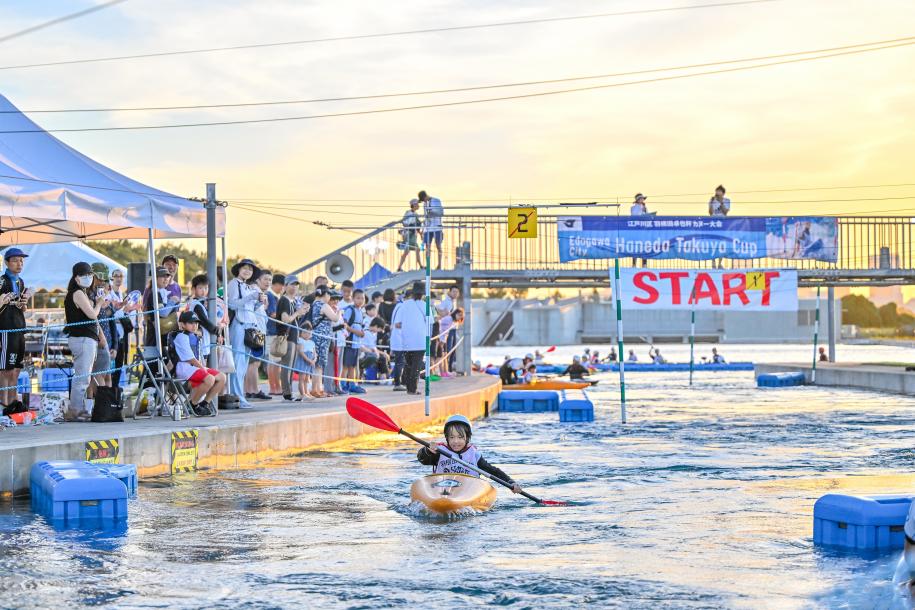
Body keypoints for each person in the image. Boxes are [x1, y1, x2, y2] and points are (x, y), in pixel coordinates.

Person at [417, 415, 522, 494]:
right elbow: (422, 459)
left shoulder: (474, 455)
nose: (456, 441)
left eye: (460, 437)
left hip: (468, 490)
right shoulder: (439, 451)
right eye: (451, 437)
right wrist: (427, 451)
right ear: (446, 438)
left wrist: (510, 483)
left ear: (467, 438)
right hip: (442, 488)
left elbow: (492, 471)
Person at [64, 262, 108, 422]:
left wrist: (98, 303)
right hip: (82, 338)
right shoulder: (77, 293)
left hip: (86, 338)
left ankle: (78, 408)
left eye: (90, 274)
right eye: (84, 275)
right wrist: (99, 304)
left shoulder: (82, 292)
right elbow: (92, 314)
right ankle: (74, 410)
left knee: (85, 376)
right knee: (82, 377)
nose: (88, 278)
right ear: (76, 277)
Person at [169, 311, 225, 416]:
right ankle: (193, 405)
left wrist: (202, 368)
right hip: (184, 368)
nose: (195, 325)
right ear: (182, 324)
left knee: (222, 377)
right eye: (191, 323)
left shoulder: (195, 336)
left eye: (196, 323)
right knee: (210, 378)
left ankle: (204, 404)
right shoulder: (181, 337)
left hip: (195, 367)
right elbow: (190, 359)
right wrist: (203, 369)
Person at [227, 258, 264, 409]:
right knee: (237, 363)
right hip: (239, 325)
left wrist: (259, 301)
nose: (247, 271)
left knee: (244, 363)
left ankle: (239, 395)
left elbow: (250, 309)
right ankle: (238, 397)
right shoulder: (234, 283)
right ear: (239, 269)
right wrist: (251, 297)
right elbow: (232, 304)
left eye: (250, 269)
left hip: (250, 327)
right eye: (245, 268)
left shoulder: (248, 287)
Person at [0, 247, 30, 414]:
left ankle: (13, 405)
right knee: (5, 369)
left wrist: (23, 304)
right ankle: (3, 405)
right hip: (6, 329)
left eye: (21, 260)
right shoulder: (2, 281)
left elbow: (21, 308)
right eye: (15, 260)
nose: (19, 264)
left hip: (20, 327)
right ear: (7, 262)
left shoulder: (21, 282)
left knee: (17, 369)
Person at [277, 276, 309, 401]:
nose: (295, 287)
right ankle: (287, 393)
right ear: (285, 286)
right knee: (287, 365)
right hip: (287, 336)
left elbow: (294, 319)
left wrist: (302, 312)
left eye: (297, 284)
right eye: (292, 284)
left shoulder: (293, 301)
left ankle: (289, 391)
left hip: (293, 336)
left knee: (291, 365)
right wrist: (298, 312)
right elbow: (285, 319)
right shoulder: (284, 300)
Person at [309, 285, 343, 398]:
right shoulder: (323, 305)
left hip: (315, 336)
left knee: (317, 363)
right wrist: (339, 312)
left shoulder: (314, 304)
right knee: (319, 364)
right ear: (325, 295)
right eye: (329, 295)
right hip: (322, 337)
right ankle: (316, 389)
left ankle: (317, 389)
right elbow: (335, 319)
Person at [89, 263, 117, 393]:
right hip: (98, 339)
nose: (103, 283)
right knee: (96, 375)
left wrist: (114, 346)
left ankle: (105, 404)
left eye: (106, 281)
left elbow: (111, 322)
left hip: (106, 341)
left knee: (106, 375)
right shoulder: (91, 295)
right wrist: (100, 303)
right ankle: (100, 404)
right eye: (101, 279)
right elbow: (94, 318)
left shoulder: (104, 300)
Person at [245, 269, 272, 401]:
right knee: (254, 363)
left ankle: (250, 389)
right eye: (265, 279)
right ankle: (253, 390)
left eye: (270, 280)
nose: (268, 282)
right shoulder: (255, 291)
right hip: (256, 331)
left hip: (259, 330)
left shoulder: (259, 292)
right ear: (258, 280)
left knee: (254, 362)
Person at [398, 283, 428, 395]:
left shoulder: (404, 304)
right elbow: (430, 322)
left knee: (409, 364)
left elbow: (398, 323)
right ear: (423, 294)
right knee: (416, 365)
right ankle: (412, 389)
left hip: (407, 339)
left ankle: (408, 387)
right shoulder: (425, 305)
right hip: (420, 339)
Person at [341, 288, 367, 394]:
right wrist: (356, 332)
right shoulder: (349, 310)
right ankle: (342, 385)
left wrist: (361, 332)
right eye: (358, 298)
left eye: (362, 298)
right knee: (346, 365)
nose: (360, 300)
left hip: (356, 343)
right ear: (353, 298)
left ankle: (352, 385)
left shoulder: (360, 311)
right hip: (349, 341)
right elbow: (344, 325)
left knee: (353, 365)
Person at [265, 273, 285, 396]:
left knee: (275, 362)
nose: (283, 288)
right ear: (277, 285)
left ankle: (276, 386)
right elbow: (272, 314)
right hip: (272, 332)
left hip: (274, 332)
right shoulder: (271, 296)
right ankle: (274, 387)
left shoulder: (274, 296)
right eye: (282, 286)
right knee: (273, 362)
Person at [419, 190, 444, 270]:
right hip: (428, 228)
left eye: (423, 199)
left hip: (437, 226)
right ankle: (428, 265)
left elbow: (441, 212)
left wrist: (432, 213)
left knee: (438, 245)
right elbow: (425, 216)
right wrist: (423, 229)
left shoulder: (436, 201)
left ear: (425, 196)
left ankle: (439, 264)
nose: (424, 201)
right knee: (427, 246)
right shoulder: (424, 204)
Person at [396, 199, 423, 272]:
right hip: (408, 234)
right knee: (410, 251)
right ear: (413, 205)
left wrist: (420, 233)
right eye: (417, 204)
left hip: (413, 234)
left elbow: (418, 225)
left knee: (412, 250)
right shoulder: (408, 213)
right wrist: (409, 227)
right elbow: (404, 222)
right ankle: (420, 265)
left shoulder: (416, 214)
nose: (418, 205)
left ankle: (420, 265)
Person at [293, 322, 317, 401]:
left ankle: (307, 392)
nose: (307, 334)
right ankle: (302, 394)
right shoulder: (300, 340)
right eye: (305, 332)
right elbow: (301, 352)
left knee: (307, 378)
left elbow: (314, 353)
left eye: (309, 332)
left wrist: (314, 360)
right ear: (301, 333)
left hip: (310, 363)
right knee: (302, 378)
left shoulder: (312, 342)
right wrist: (308, 360)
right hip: (303, 361)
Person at [709, 185, 730, 269]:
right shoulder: (712, 201)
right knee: (713, 243)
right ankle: (713, 262)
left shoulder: (727, 201)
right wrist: (711, 203)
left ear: (723, 193)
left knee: (722, 244)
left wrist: (721, 202)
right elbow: (710, 213)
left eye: (719, 191)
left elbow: (725, 212)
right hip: (713, 224)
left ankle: (719, 263)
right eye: (716, 191)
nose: (717, 193)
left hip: (722, 224)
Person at [630, 193, 649, 267]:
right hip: (636, 230)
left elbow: (647, 216)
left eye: (643, 199)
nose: (642, 200)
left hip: (644, 230)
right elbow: (635, 215)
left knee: (644, 247)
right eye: (641, 199)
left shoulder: (645, 207)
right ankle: (634, 264)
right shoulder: (633, 207)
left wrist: (644, 210)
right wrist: (641, 208)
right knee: (636, 247)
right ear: (638, 200)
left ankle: (644, 264)